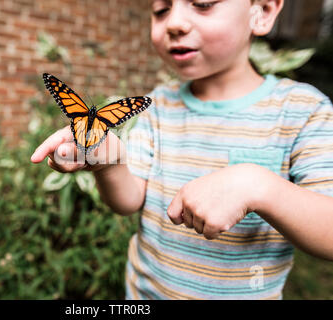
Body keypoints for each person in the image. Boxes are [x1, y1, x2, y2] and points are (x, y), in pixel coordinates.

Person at [31, 0, 333, 299]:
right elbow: (128, 200)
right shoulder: (157, 106)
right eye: (161, 10)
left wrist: (259, 187)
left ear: (262, 12)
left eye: (202, 4)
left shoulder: (302, 111)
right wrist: (109, 163)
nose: (174, 23)